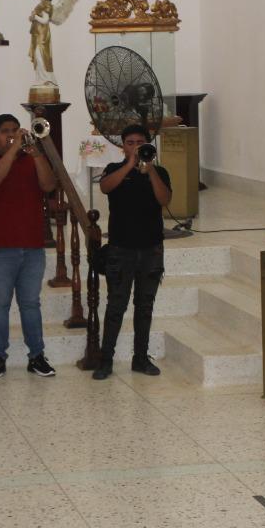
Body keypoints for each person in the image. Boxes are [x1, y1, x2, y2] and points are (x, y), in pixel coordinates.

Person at [0, 114, 57, 379]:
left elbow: (49, 185)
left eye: (14, 130)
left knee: (31, 304)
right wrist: (13, 150)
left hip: (32, 245)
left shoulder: (31, 158)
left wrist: (36, 153)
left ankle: (37, 356)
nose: (11, 135)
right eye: (5, 132)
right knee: (0, 304)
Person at [94, 125, 171, 380]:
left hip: (151, 249)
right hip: (121, 249)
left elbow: (164, 200)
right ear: (123, 146)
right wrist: (129, 165)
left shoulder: (159, 172)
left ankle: (140, 359)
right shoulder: (114, 170)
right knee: (116, 306)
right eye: (130, 142)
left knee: (144, 307)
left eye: (140, 142)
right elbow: (105, 188)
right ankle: (106, 361)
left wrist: (149, 172)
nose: (135, 146)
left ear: (149, 144)